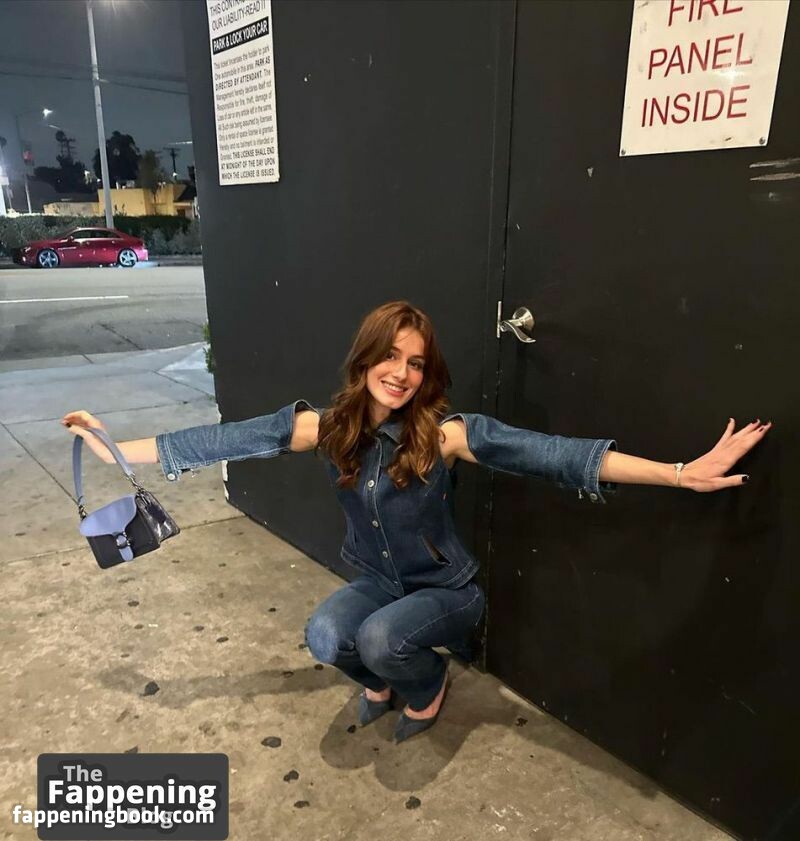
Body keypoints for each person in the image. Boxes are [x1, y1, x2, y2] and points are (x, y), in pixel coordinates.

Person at [62, 301, 772, 743]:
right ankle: (382, 678)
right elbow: (224, 439)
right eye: (390, 356)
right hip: (378, 581)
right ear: (365, 358)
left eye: (416, 363)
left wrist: (680, 472)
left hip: (444, 589)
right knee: (325, 635)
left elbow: (557, 455)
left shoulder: (447, 435)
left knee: (381, 639)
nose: (401, 373)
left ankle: (427, 686)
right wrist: (110, 448)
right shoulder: (329, 428)